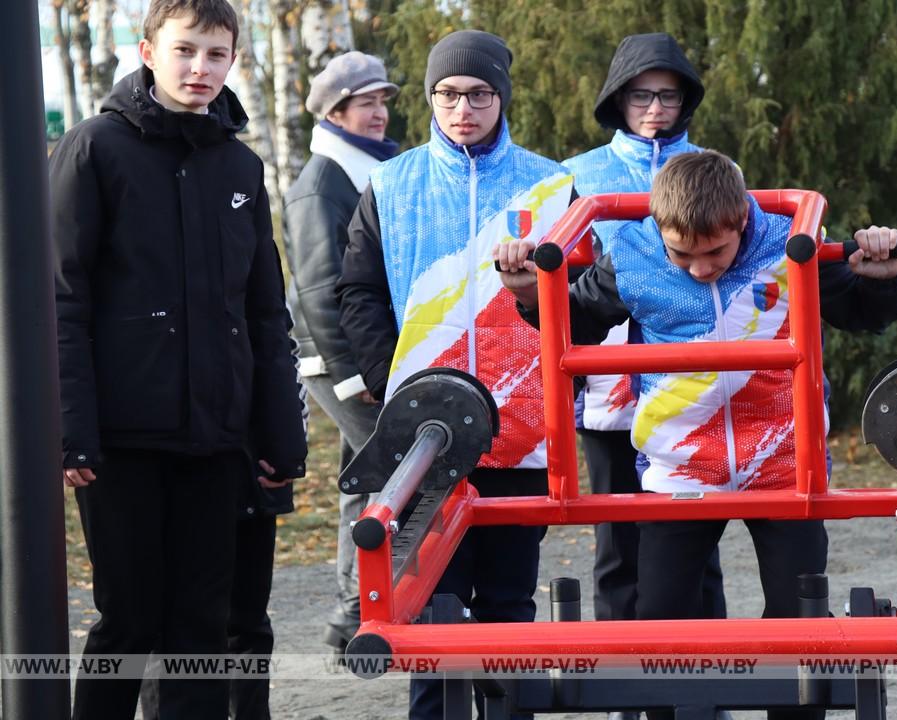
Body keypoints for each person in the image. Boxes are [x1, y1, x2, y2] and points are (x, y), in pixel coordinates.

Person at [496, 150, 897, 720]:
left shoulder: (790, 243)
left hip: (785, 460)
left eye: (715, 252)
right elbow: (573, 321)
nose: (699, 269)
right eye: (682, 254)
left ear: (742, 218)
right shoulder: (636, 257)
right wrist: (527, 292)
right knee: (664, 622)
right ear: (659, 232)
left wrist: (885, 273)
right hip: (681, 467)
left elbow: (865, 310)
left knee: (798, 619)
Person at [50, 0, 308, 717]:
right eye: (186, 51)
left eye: (216, 55)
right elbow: (60, 299)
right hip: (122, 440)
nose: (201, 68)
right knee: (129, 621)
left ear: (234, 62)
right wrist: (72, 425)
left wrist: (278, 434)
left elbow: (263, 312)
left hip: (216, 439)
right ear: (148, 51)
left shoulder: (241, 166)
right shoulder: (94, 149)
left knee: (202, 626)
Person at [335, 30, 574, 720]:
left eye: (477, 94)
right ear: (429, 98)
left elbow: (589, 292)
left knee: (507, 603)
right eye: (447, 94)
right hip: (423, 434)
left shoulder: (554, 183)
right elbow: (358, 292)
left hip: (521, 428)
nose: (462, 108)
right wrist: (394, 381)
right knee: (430, 603)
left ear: (501, 97)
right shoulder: (391, 183)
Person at [562, 32, 726, 633]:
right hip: (607, 385)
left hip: (695, 380)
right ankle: (627, 684)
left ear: (687, 101)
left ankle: (709, 686)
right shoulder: (578, 174)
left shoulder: (715, 167)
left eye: (668, 96)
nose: (656, 109)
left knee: (697, 546)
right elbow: (564, 276)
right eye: (641, 96)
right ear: (617, 100)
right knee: (618, 543)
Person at [282, 50, 400, 658]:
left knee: (363, 479)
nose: (379, 112)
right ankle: (371, 606)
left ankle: (350, 611)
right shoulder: (322, 182)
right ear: (334, 112)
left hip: (359, 357)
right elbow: (320, 289)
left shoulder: (363, 168)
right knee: (401, 468)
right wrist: (359, 377)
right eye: (365, 103)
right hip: (337, 361)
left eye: (382, 100)